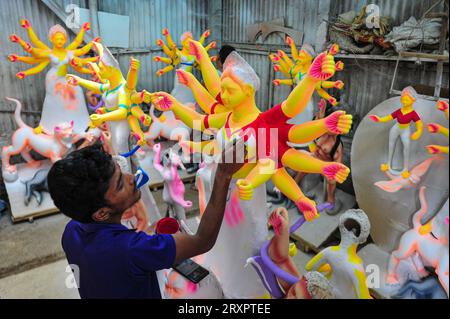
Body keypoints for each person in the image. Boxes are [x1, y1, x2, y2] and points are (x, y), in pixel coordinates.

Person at [47, 139, 245, 299]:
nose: (131, 178)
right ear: (101, 213)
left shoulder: (71, 232)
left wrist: (149, 232)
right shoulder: (133, 249)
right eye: (120, 185)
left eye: (121, 171)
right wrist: (223, 175)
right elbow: (202, 240)